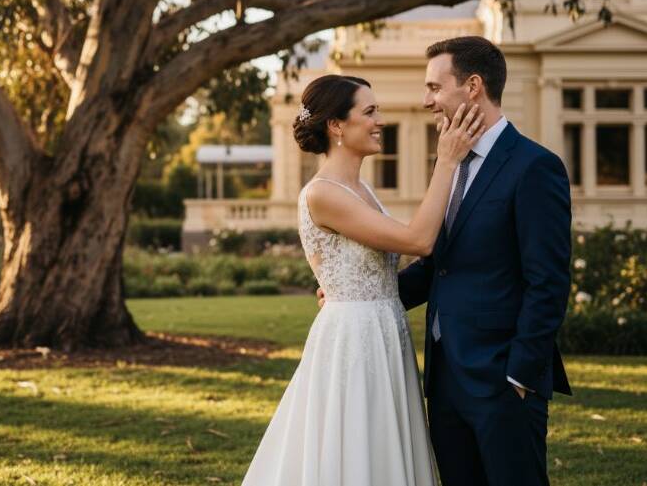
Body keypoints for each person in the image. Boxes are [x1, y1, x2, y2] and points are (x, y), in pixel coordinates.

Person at [318, 36, 573, 486]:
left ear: (472, 86)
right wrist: (358, 293)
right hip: (445, 380)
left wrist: (520, 374)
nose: (426, 101)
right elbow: (442, 264)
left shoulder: (535, 167)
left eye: (435, 87)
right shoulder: (452, 163)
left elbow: (548, 282)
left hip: (503, 381)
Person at [241, 73, 483, 486]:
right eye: (369, 112)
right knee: (355, 446)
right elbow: (418, 240)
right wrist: (447, 161)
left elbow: (381, 263)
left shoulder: (362, 188)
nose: (380, 121)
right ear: (336, 125)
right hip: (354, 339)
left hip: (384, 329)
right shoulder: (323, 194)